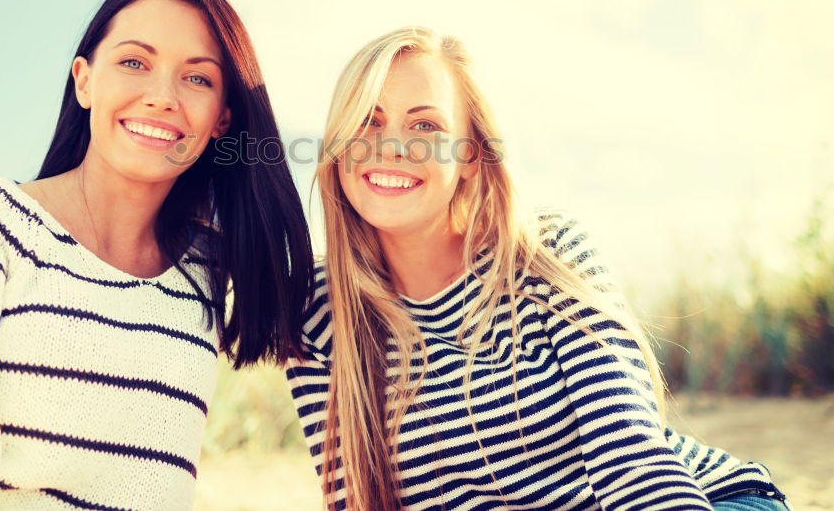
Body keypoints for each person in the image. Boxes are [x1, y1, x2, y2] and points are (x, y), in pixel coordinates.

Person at [0, 0, 314, 511]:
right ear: (84, 81)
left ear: (222, 120)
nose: (162, 97)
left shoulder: (211, 273)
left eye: (198, 79)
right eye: (134, 62)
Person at [285, 26, 789, 510]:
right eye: (368, 120)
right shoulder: (318, 312)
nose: (392, 146)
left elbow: (632, 465)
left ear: (471, 155)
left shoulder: (548, 254)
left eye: (426, 126)